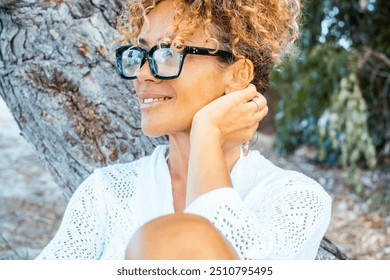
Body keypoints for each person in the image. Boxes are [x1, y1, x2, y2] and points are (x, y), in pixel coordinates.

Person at [36, 0, 331, 260]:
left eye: (169, 52)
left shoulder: (296, 199)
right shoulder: (106, 191)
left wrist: (207, 135)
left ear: (239, 74)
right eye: (140, 53)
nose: (141, 73)